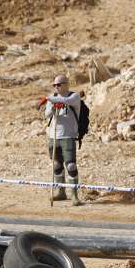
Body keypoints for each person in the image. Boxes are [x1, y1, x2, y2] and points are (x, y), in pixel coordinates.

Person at [40, 74, 82, 205]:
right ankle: (61, 192)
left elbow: (68, 102)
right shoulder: (53, 99)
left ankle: (74, 195)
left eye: (58, 84)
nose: (56, 87)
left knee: (71, 165)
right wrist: (53, 107)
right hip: (54, 136)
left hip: (68, 136)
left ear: (66, 84)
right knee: (57, 165)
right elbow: (46, 115)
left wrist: (49, 99)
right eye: (54, 85)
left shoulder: (73, 97)